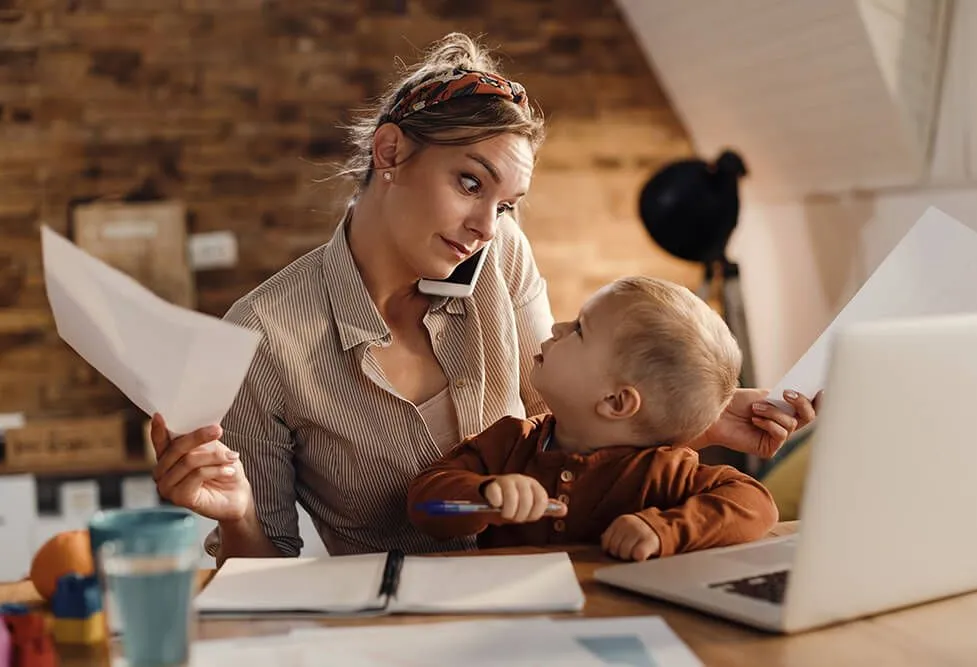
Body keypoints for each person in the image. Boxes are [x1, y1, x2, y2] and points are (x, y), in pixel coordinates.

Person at [148, 32, 818, 563]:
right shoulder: (263, 336)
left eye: (506, 204)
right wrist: (236, 515)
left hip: (559, 596)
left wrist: (695, 412)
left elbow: (560, 419)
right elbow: (264, 573)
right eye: (470, 183)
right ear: (390, 152)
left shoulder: (501, 254)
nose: (486, 227)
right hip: (397, 629)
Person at [408, 277, 778, 562]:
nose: (557, 328)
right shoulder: (508, 441)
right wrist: (484, 496)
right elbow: (424, 505)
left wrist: (662, 529)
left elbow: (756, 504)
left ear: (616, 402)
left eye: (579, 329)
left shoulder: (663, 470)